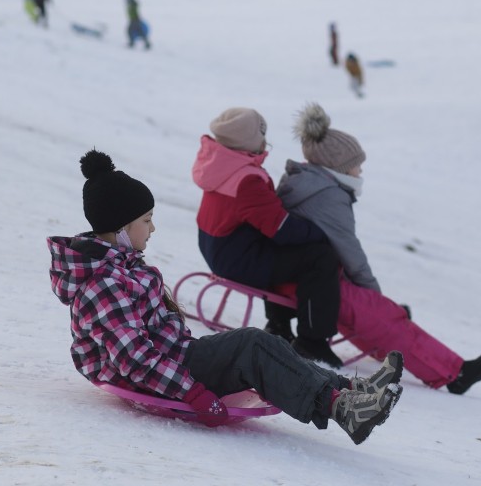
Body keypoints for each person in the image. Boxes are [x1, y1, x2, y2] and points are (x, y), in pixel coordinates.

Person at [47, 148, 404, 444]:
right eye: (147, 220)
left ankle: (353, 391)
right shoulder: (104, 284)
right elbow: (133, 357)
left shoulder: (121, 267)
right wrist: (191, 393)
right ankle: (342, 408)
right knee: (252, 346)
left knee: (264, 345)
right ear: (121, 227)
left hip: (177, 357)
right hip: (161, 373)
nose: (152, 228)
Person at [276, 104, 481, 394]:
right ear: (339, 167)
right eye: (357, 163)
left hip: (303, 275)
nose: (361, 169)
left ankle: (445, 365)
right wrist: (375, 297)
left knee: (378, 315)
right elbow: (349, 252)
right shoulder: (328, 196)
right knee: (383, 318)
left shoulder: (304, 182)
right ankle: (454, 374)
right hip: (309, 282)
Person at [192, 108, 347, 368]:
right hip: (237, 258)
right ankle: (313, 340)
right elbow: (280, 228)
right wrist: (321, 233)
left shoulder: (221, 164)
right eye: (263, 136)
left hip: (218, 248)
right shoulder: (247, 179)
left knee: (284, 250)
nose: (266, 142)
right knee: (320, 257)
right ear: (250, 141)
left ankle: (279, 325)